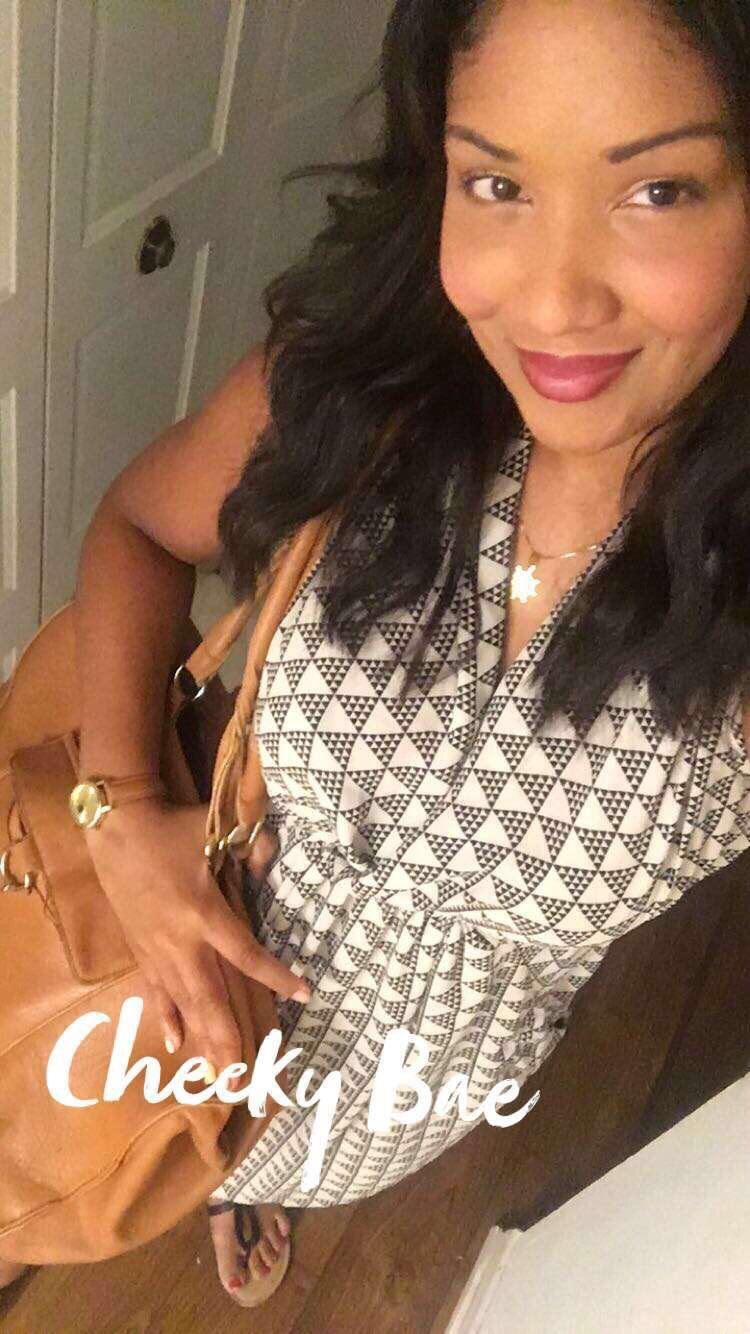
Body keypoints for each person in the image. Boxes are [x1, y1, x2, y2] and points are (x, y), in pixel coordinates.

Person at [4, 0, 750, 1311]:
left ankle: (243, 1180)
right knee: (40, 1195)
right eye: (497, 182)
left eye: (658, 188)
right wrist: (119, 812)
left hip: (390, 1107)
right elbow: (139, 527)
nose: (553, 299)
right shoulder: (364, 391)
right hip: (114, 985)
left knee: (182, 1175)